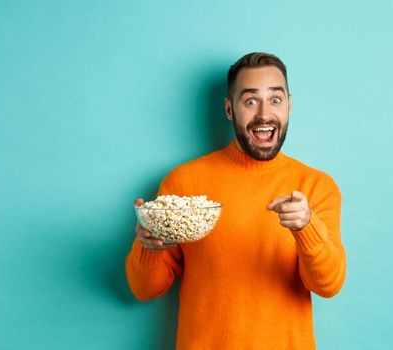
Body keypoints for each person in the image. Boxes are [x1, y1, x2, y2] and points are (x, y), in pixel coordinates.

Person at [125, 52, 346, 349]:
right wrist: (148, 243)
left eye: (276, 100)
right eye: (251, 101)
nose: (265, 114)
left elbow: (328, 285)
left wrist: (306, 226)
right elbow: (144, 289)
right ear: (230, 109)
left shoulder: (317, 186)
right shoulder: (184, 183)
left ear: (290, 105)